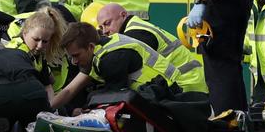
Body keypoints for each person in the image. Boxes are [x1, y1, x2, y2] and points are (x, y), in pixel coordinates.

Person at [50, 22, 181, 109]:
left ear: (90, 47)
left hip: (166, 94)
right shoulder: (97, 51)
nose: (74, 62)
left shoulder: (111, 59)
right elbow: (69, 90)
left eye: (76, 55)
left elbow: (113, 97)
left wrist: (83, 109)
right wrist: (45, 110)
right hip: (155, 93)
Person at [96, 3, 208, 93]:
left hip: (187, 85)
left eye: (108, 23)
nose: (105, 31)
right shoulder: (136, 27)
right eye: (101, 27)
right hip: (189, 82)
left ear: (123, 15)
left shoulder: (135, 34)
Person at [6, 7, 67, 96]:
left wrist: (51, 106)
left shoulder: (38, 55)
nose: (40, 46)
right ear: (24, 33)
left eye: (45, 41)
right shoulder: (17, 53)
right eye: (36, 39)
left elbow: (48, 84)